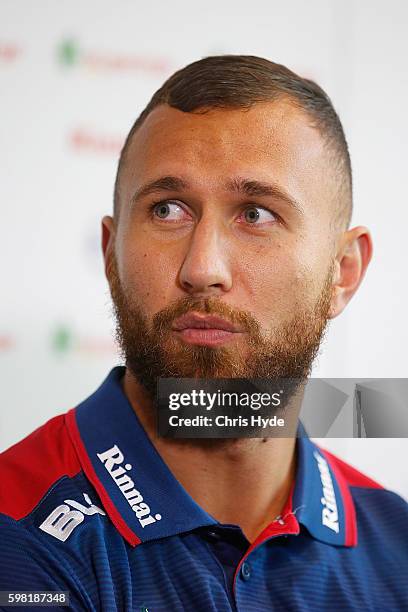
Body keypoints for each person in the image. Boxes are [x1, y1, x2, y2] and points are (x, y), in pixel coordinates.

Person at [0, 55, 407, 612]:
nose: (202, 268)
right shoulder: (13, 529)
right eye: (168, 210)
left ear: (342, 271)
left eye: (256, 214)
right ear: (111, 255)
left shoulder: (398, 550)